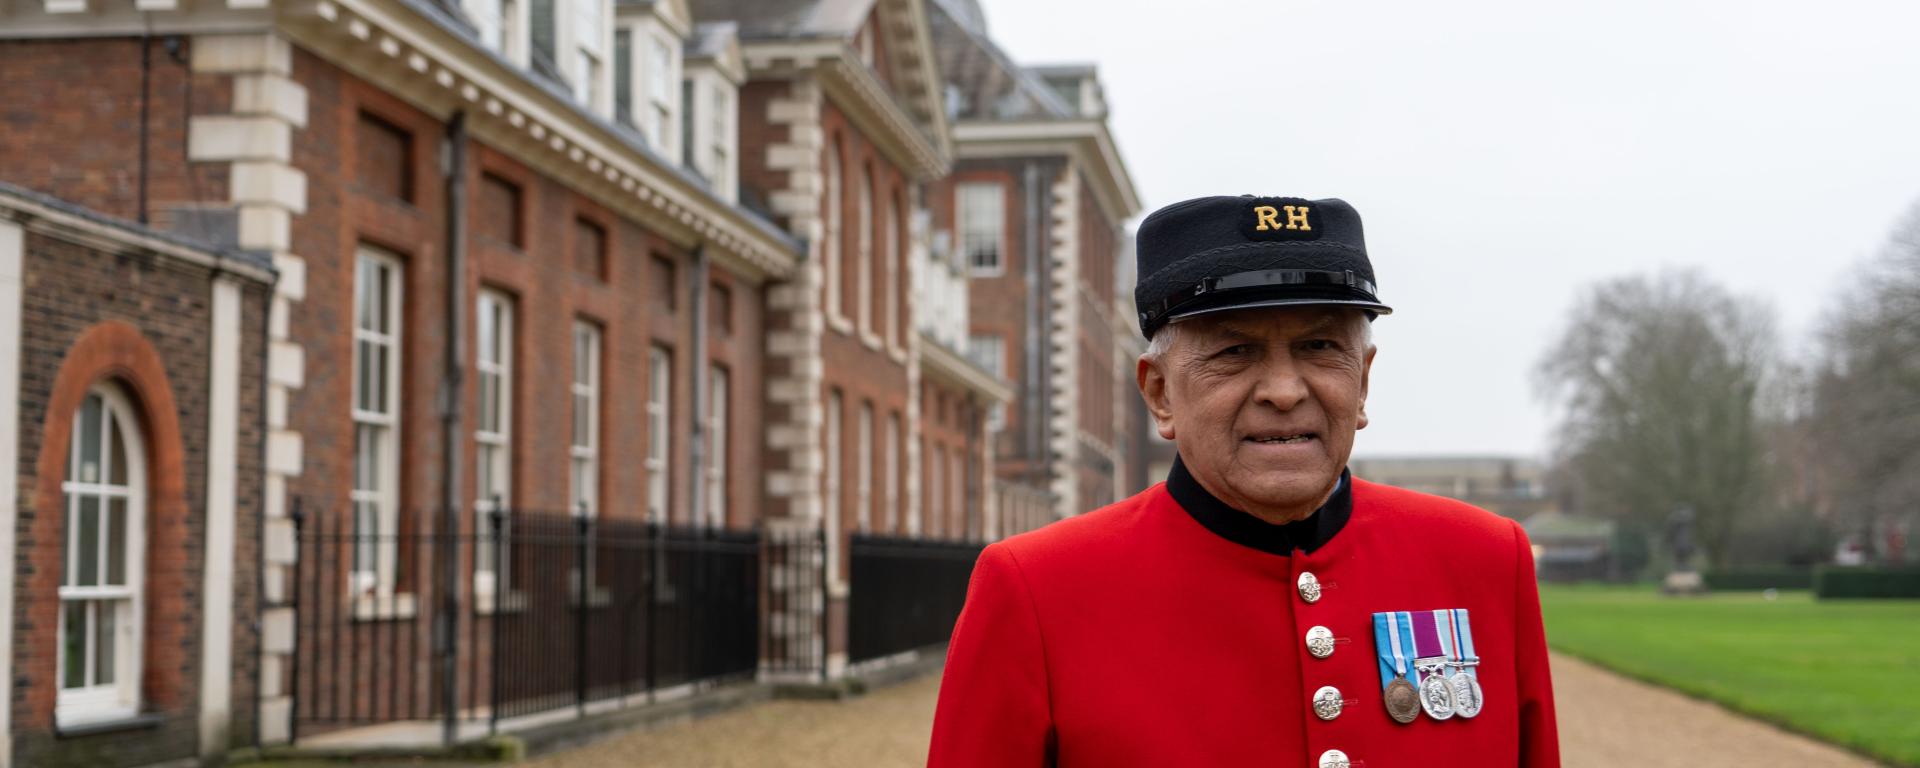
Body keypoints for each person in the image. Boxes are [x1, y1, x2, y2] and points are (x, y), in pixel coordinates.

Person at [927, 196, 1560, 768]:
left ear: (1363, 382)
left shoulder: (1484, 559)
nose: (1284, 391)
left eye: (1320, 347)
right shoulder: (1037, 591)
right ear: (1159, 393)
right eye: (1234, 352)